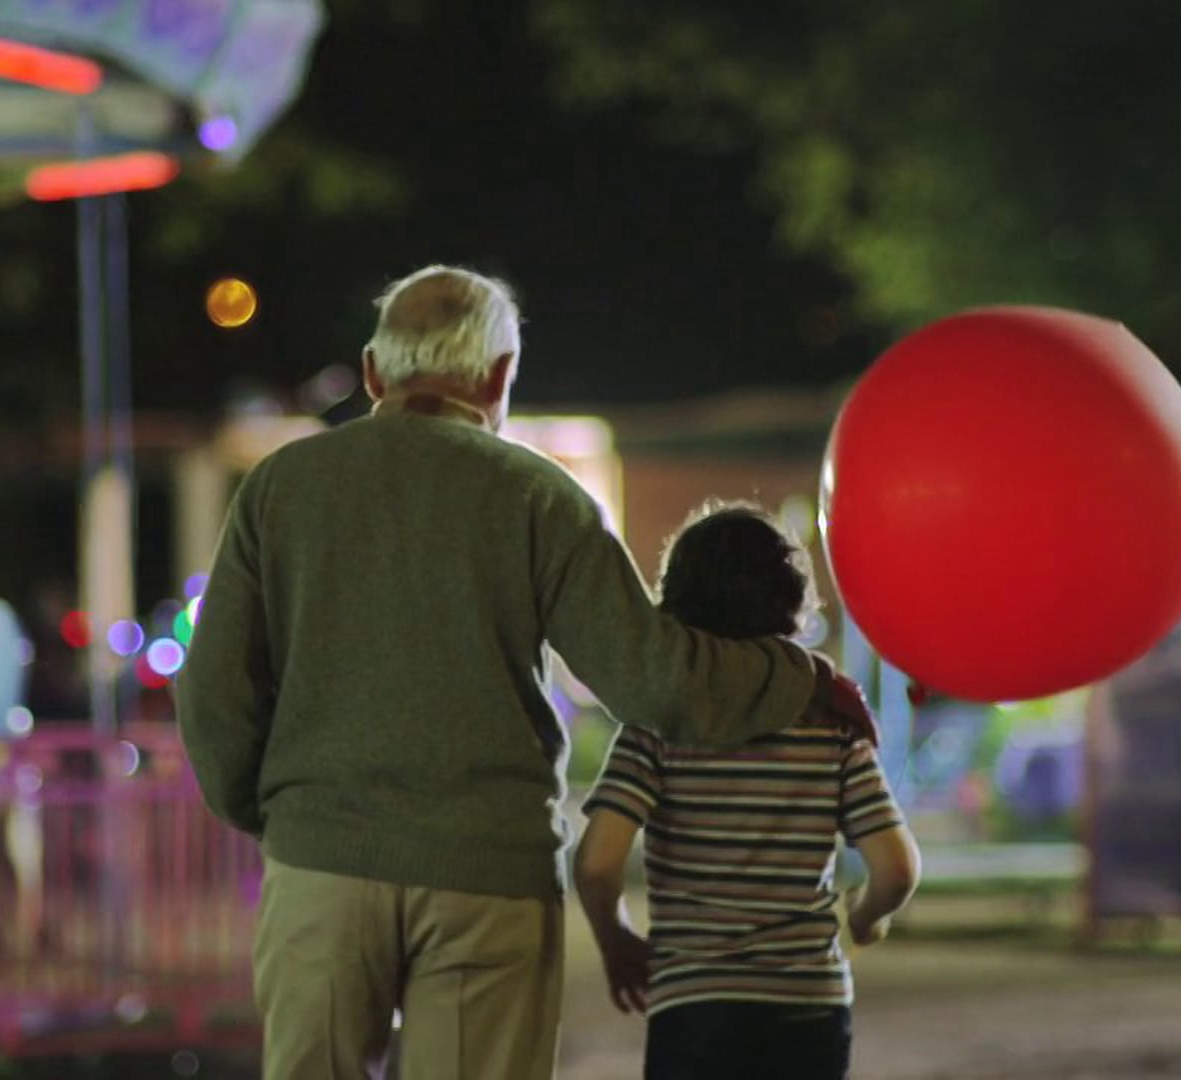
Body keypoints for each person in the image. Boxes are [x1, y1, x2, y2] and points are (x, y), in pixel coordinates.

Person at [174, 265, 877, 1080]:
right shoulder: (542, 499)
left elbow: (215, 692)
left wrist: (281, 816)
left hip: (322, 866)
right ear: (500, 376)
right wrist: (799, 679)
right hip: (489, 879)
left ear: (373, 375)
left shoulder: (280, 488)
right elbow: (656, 682)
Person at [574, 501, 918, 1080]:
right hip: (810, 1005)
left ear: (677, 603)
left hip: (697, 1007)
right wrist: (864, 919)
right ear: (792, 602)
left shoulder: (660, 722)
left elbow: (596, 863)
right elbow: (896, 870)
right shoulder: (830, 719)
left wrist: (616, 941)